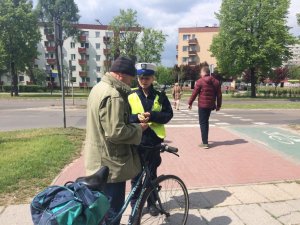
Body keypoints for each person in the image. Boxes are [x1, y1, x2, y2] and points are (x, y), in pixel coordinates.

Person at [84, 56, 148, 225]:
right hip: (111, 165)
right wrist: (138, 128)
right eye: (130, 77)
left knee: (101, 212)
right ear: (120, 75)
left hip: (97, 159)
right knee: (112, 213)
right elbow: (115, 132)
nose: (131, 82)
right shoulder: (114, 95)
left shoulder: (98, 88)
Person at [128, 63, 173, 216]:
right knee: (135, 177)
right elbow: (124, 117)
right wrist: (136, 118)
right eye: (141, 78)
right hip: (136, 142)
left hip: (153, 143)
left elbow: (168, 115)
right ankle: (135, 205)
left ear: (153, 78)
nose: (143, 81)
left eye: (147, 78)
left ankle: (152, 203)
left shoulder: (160, 97)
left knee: (152, 176)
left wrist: (152, 116)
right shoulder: (131, 95)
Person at [188, 65, 222, 149]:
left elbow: (194, 93)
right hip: (210, 105)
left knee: (203, 123)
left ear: (203, 72)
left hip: (202, 105)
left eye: (200, 72)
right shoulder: (216, 82)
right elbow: (219, 95)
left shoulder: (200, 81)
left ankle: (205, 143)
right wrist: (218, 105)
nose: (200, 74)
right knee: (206, 122)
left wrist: (190, 103)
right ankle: (205, 140)